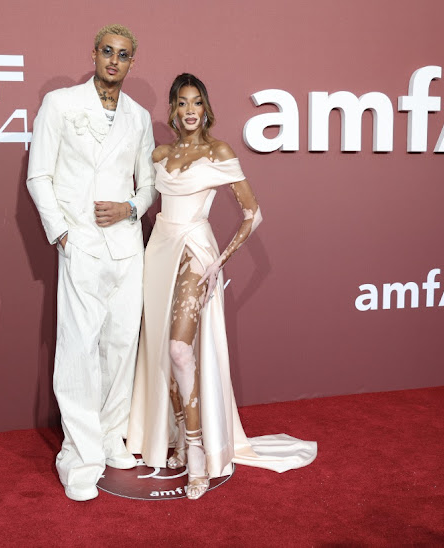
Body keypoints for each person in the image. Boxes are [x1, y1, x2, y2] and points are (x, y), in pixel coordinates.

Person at [126, 73, 316, 500]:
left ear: (205, 108)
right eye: (181, 103)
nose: (189, 110)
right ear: (173, 110)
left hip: (196, 249)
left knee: (179, 348)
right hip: (157, 253)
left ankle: (196, 452)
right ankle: (175, 438)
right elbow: (141, 198)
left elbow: (253, 214)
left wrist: (218, 262)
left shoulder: (219, 151)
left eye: (196, 102)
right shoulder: (159, 154)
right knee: (160, 349)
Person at [26, 24, 157, 502]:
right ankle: (80, 457)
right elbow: (39, 174)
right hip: (79, 243)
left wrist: (132, 209)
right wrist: (61, 233)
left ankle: (110, 436)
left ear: (131, 62)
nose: (114, 61)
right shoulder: (60, 105)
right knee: (79, 350)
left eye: (124, 55)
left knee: (121, 345)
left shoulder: (139, 117)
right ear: (95, 54)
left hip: (126, 246)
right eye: (107, 51)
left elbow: (148, 185)